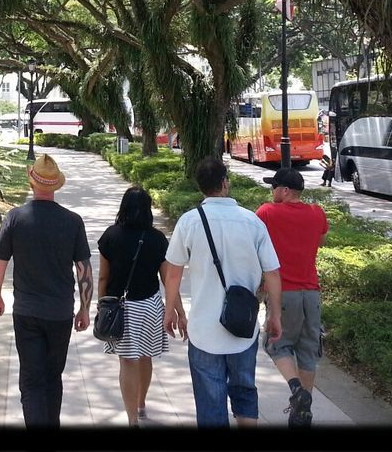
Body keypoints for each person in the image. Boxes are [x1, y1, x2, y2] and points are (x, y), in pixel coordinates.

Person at [163, 156, 282, 428]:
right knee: (244, 392)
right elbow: (273, 273)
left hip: (204, 330)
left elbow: (173, 271)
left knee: (210, 404)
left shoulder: (189, 222)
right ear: (225, 183)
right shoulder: (252, 222)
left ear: (200, 186)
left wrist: (169, 310)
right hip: (244, 328)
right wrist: (275, 315)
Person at [0, 153, 92, 428]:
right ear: (56, 185)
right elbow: (84, 271)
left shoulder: (14, 218)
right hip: (60, 314)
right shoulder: (73, 221)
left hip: (26, 313)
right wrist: (84, 308)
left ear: (32, 183)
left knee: (32, 381)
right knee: (52, 377)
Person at [256, 166, 330, 428]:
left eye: (274, 186)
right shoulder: (316, 213)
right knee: (308, 350)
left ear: (285, 190)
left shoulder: (266, 212)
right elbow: (321, 240)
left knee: (279, 345)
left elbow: (253, 241)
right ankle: (303, 412)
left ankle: (297, 390)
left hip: (283, 293)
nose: (272, 191)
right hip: (311, 292)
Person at [96, 186, 172, 426]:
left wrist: (100, 305)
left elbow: (103, 278)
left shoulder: (110, 236)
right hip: (150, 305)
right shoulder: (157, 238)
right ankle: (141, 404)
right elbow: (167, 278)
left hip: (123, 307)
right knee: (146, 356)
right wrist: (174, 309)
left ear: (123, 207)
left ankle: (132, 420)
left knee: (127, 360)